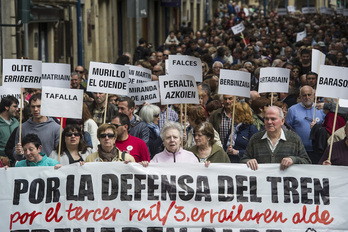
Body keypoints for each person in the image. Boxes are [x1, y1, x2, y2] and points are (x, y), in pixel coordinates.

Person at [241, 106, 311, 170]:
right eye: (266, 119)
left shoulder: (294, 139)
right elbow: (243, 160)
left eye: (273, 119)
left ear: (282, 121)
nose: (269, 122)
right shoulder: (255, 139)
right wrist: (248, 161)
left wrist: (293, 159)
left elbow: (307, 161)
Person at [14, 93, 60, 161]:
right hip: (27, 168)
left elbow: (60, 153)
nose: (36, 109)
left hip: (49, 169)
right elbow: (16, 154)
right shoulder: (22, 128)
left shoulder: (57, 128)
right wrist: (18, 153)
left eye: (39, 106)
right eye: (33, 106)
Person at [286, 86, 325, 163]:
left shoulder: (321, 109)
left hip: (317, 151)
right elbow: (287, 129)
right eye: (304, 95)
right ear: (300, 96)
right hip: (299, 151)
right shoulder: (292, 110)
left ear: (314, 95)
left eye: (309, 94)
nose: (307, 97)